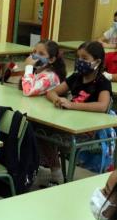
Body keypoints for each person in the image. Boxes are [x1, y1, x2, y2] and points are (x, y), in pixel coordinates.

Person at [38, 41, 112, 187]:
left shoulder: (102, 82)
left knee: (46, 134)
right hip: (70, 121)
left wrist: (73, 105)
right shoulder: (76, 77)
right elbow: (51, 92)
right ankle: (56, 173)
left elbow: (103, 106)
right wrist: (57, 99)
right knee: (39, 130)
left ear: (97, 61)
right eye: (78, 57)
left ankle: (57, 173)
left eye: (85, 58)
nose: (80, 61)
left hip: (88, 129)